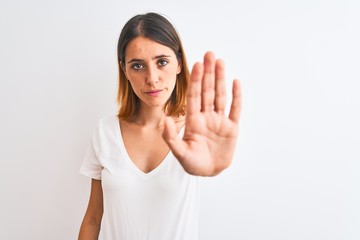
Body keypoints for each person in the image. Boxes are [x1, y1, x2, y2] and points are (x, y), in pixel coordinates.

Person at [78, 12, 242, 240]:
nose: (152, 78)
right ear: (124, 69)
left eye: (162, 62)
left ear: (179, 63)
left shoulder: (197, 134)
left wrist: (215, 167)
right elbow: (93, 218)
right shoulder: (105, 131)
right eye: (137, 66)